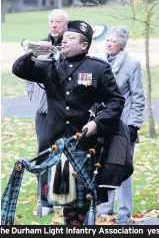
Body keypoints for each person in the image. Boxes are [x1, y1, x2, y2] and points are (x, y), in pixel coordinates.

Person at [12, 20, 125, 225]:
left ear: (84, 45)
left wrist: (98, 124)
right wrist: (34, 52)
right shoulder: (50, 65)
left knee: (81, 205)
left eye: (71, 38)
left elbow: (116, 101)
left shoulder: (98, 68)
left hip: (83, 144)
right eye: (64, 38)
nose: (64, 40)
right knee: (64, 201)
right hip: (55, 143)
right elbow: (19, 69)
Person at [97, 25, 145, 224]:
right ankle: (105, 209)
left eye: (114, 41)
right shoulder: (99, 62)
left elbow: (138, 97)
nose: (109, 44)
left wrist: (134, 125)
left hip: (124, 125)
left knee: (123, 167)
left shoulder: (132, 64)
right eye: (107, 40)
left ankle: (124, 211)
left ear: (122, 44)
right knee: (103, 165)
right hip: (103, 123)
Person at [25, 9, 69, 216]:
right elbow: (29, 73)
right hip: (44, 112)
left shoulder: (72, 46)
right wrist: (34, 95)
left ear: (65, 24)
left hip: (67, 113)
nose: (54, 24)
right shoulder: (40, 46)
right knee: (43, 154)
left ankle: (63, 198)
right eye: (51, 21)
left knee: (66, 154)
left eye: (58, 21)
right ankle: (44, 201)